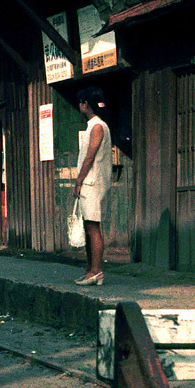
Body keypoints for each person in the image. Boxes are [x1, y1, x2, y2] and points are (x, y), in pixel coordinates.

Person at [72, 86, 112, 286]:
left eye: (81, 102)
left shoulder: (97, 126)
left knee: (93, 227)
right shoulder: (94, 126)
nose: (80, 105)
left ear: (85, 104)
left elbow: (90, 156)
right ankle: (90, 270)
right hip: (91, 181)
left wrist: (78, 180)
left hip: (92, 182)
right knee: (89, 226)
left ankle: (96, 271)